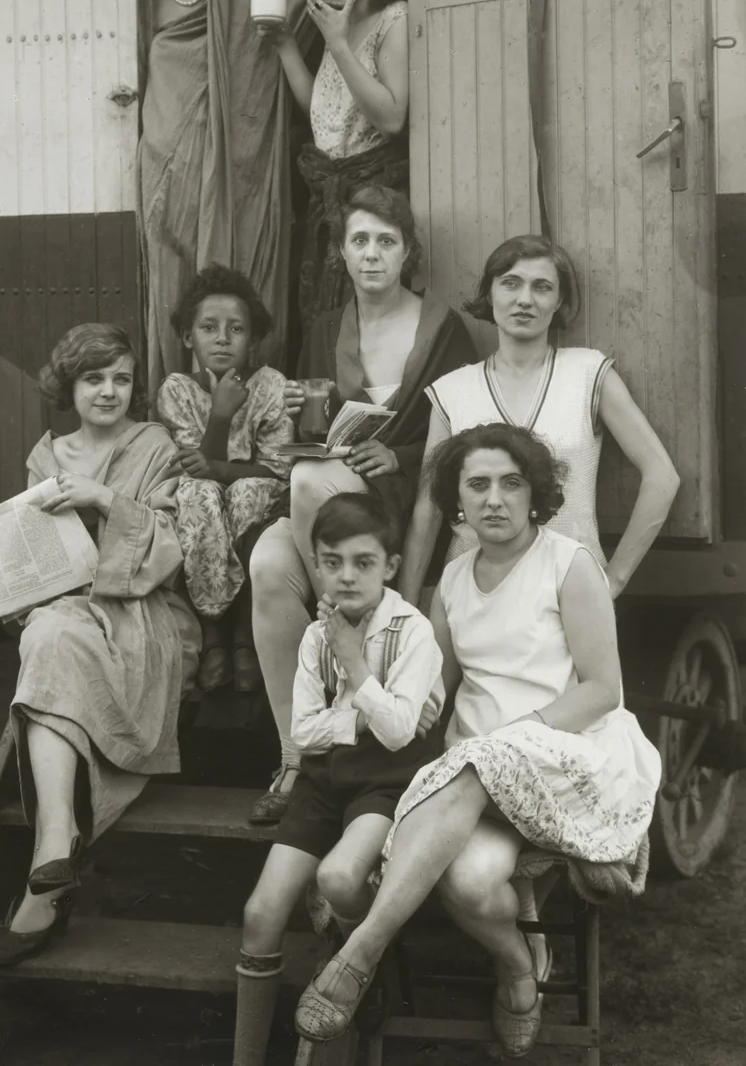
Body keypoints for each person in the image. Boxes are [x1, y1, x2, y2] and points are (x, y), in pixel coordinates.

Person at [294, 424, 662, 1055]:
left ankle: (359, 955)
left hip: (562, 755)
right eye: (478, 484)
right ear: (456, 500)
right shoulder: (455, 581)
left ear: (535, 493)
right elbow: (433, 695)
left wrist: (511, 739)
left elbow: (603, 689)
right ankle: (520, 966)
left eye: (511, 483)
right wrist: (363, 682)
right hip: (475, 779)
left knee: (476, 760)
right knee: (466, 881)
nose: (494, 498)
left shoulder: (570, 566)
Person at [248, 186, 475, 824]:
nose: (371, 255)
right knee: (268, 569)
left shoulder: (445, 328)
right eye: (359, 241)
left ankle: (339, 631)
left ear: (407, 253)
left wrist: (397, 457)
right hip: (322, 506)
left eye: (385, 241)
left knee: (309, 487)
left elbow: (461, 429)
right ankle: (297, 755)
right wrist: (295, 415)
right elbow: (310, 447)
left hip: (399, 502)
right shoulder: (325, 329)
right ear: (342, 254)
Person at [0, 325, 196, 967]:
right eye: (93, 379)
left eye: (122, 379)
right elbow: (34, 549)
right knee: (47, 631)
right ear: (69, 386)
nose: (109, 391)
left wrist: (105, 498)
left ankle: (49, 862)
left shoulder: (154, 444)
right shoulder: (44, 457)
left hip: (146, 610)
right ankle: (56, 836)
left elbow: (172, 545)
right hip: (67, 609)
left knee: (54, 641)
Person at [234, 493, 444, 1066]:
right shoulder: (312, 637)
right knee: (260, 914)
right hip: (324, 780)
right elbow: (303, 733)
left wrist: (353, 664)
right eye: (331, 562)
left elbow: (402, 736)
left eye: (363, 562)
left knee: (340, 877)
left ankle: (361, 962)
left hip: (388, 781)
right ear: (317, 563)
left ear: (390, 566)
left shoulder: (412, 631)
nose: (345, 577)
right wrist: (367, 715)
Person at [398, 234, 680, 603]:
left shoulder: (588, 373)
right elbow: (429, 508)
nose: (525, 299)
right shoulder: (452, 391)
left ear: (559, 300)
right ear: (490, 293)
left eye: (542, 287)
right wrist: (402, 609)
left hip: (568, 594)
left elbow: (663, 476)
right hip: (472, 595)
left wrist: (614, 579)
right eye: (511, 283)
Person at [259, 0, 410, 328]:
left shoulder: (393, 18)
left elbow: (392, 117)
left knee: (364, 315)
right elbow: (327, 112)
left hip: (372, 201)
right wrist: (288, 45)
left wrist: (336, 40)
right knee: (326, 320)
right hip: (329, 202)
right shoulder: (337, 17)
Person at [157, 265, 293, 692]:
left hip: (256, 500)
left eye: (236, 329)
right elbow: (196, 472)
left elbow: (275, 470)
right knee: (198, 494)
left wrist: (218, 470)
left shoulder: (270, 385)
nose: (222, 338)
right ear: (187, 337)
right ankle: (214, 635)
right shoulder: (176, 389)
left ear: (252, 340)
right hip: (204, 508)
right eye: (209, 327)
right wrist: (219, 413)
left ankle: (242, 636)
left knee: (249, 491)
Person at [135, 0, 225, 398]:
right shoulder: (145, 3)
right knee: (171, 270)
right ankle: (176, 394)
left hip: (220, 154)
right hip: (165, 155)